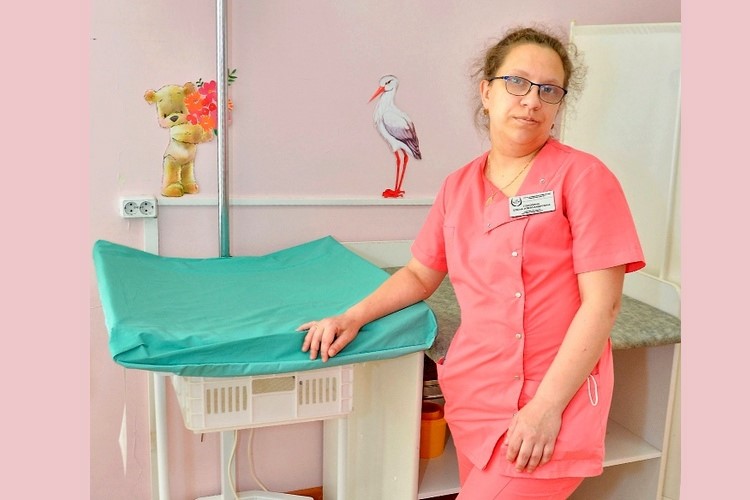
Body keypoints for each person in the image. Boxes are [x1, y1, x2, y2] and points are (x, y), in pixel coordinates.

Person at [298, 25, 644, 499]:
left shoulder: (584, 178)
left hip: (551, 401)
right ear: (487, 91)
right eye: (517, 82)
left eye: (549, 90)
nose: (532, 100)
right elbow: (420, 273)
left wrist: (545, 408)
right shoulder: (458, 187)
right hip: (475, 393)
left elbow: (602, 306)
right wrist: (352, 316)